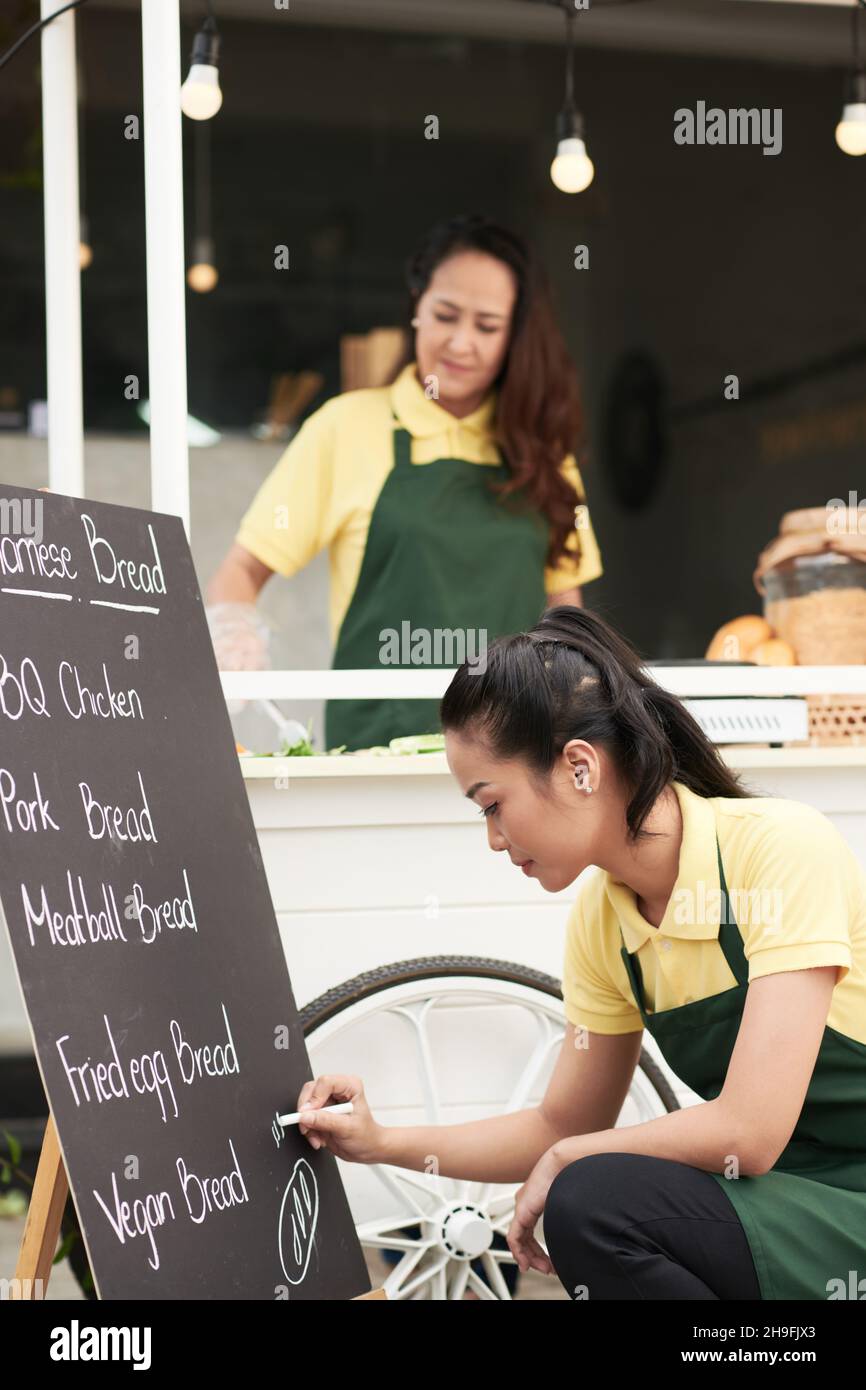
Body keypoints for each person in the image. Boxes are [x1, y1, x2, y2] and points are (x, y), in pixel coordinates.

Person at [290, 605, 866, 1300]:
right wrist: (381, 1141)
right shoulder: (604, 923)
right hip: (785, 1204)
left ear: (580, 768)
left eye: (492, 804)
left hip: (840, 1205)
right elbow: (559, 1123)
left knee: (589, 1194)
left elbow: (750, 1130)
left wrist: (570, 1156)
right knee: (593, 1200)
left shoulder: (778, 850)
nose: (494, 839)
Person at [205, 214, 603, 751]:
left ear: (515, 336)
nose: (461, 343)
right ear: (416, 306)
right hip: (378, 756)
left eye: (487, 327)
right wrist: (235, 634)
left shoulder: (543, 453)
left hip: (521, 758)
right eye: (445, 315)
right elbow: (242, 570)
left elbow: (566, 613)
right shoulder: (345, 428)